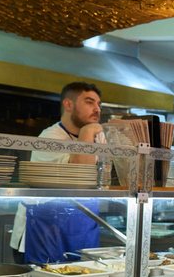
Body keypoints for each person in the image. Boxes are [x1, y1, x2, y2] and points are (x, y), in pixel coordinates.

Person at [10, 81, 106, 264]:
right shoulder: (50, 138)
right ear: (68, 104)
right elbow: (79, 177)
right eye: (89, 102)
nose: (97, 109)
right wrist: (87, 132)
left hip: (82, 227)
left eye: (98, 104)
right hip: (42, 232)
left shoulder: (98, 136)